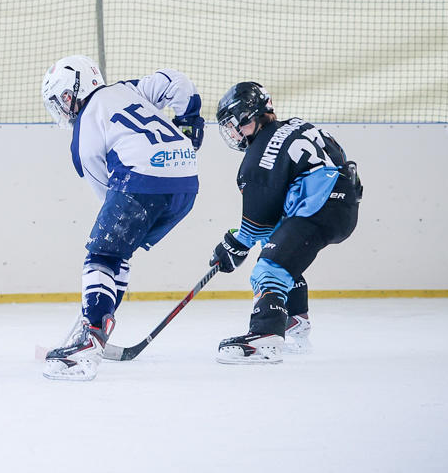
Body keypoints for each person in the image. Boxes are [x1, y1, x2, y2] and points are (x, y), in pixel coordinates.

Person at [40, 55, 204, 381]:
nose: (63, 107)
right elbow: (177, 82)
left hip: (143, 182)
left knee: (102, 255)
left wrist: (117, 227)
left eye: (63, 98)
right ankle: (97, 324)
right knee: (118, 252)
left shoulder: (86, 125)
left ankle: (91, 336)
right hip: (187, 182)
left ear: (75, 89)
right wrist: (189, 122)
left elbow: (105, 191)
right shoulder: (130, 89)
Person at [208, 82, 363, 364]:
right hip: (344, 205)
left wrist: (232, 248)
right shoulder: (297, 125)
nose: (233, 133)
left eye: (233, 124)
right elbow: (339, 158)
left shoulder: (258, 155)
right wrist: (239, 242)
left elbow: (254, 226)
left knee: (268, 268)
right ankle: (295, 322)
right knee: (277, 247)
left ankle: (265, 337)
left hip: (319, 207)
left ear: (248, 115)